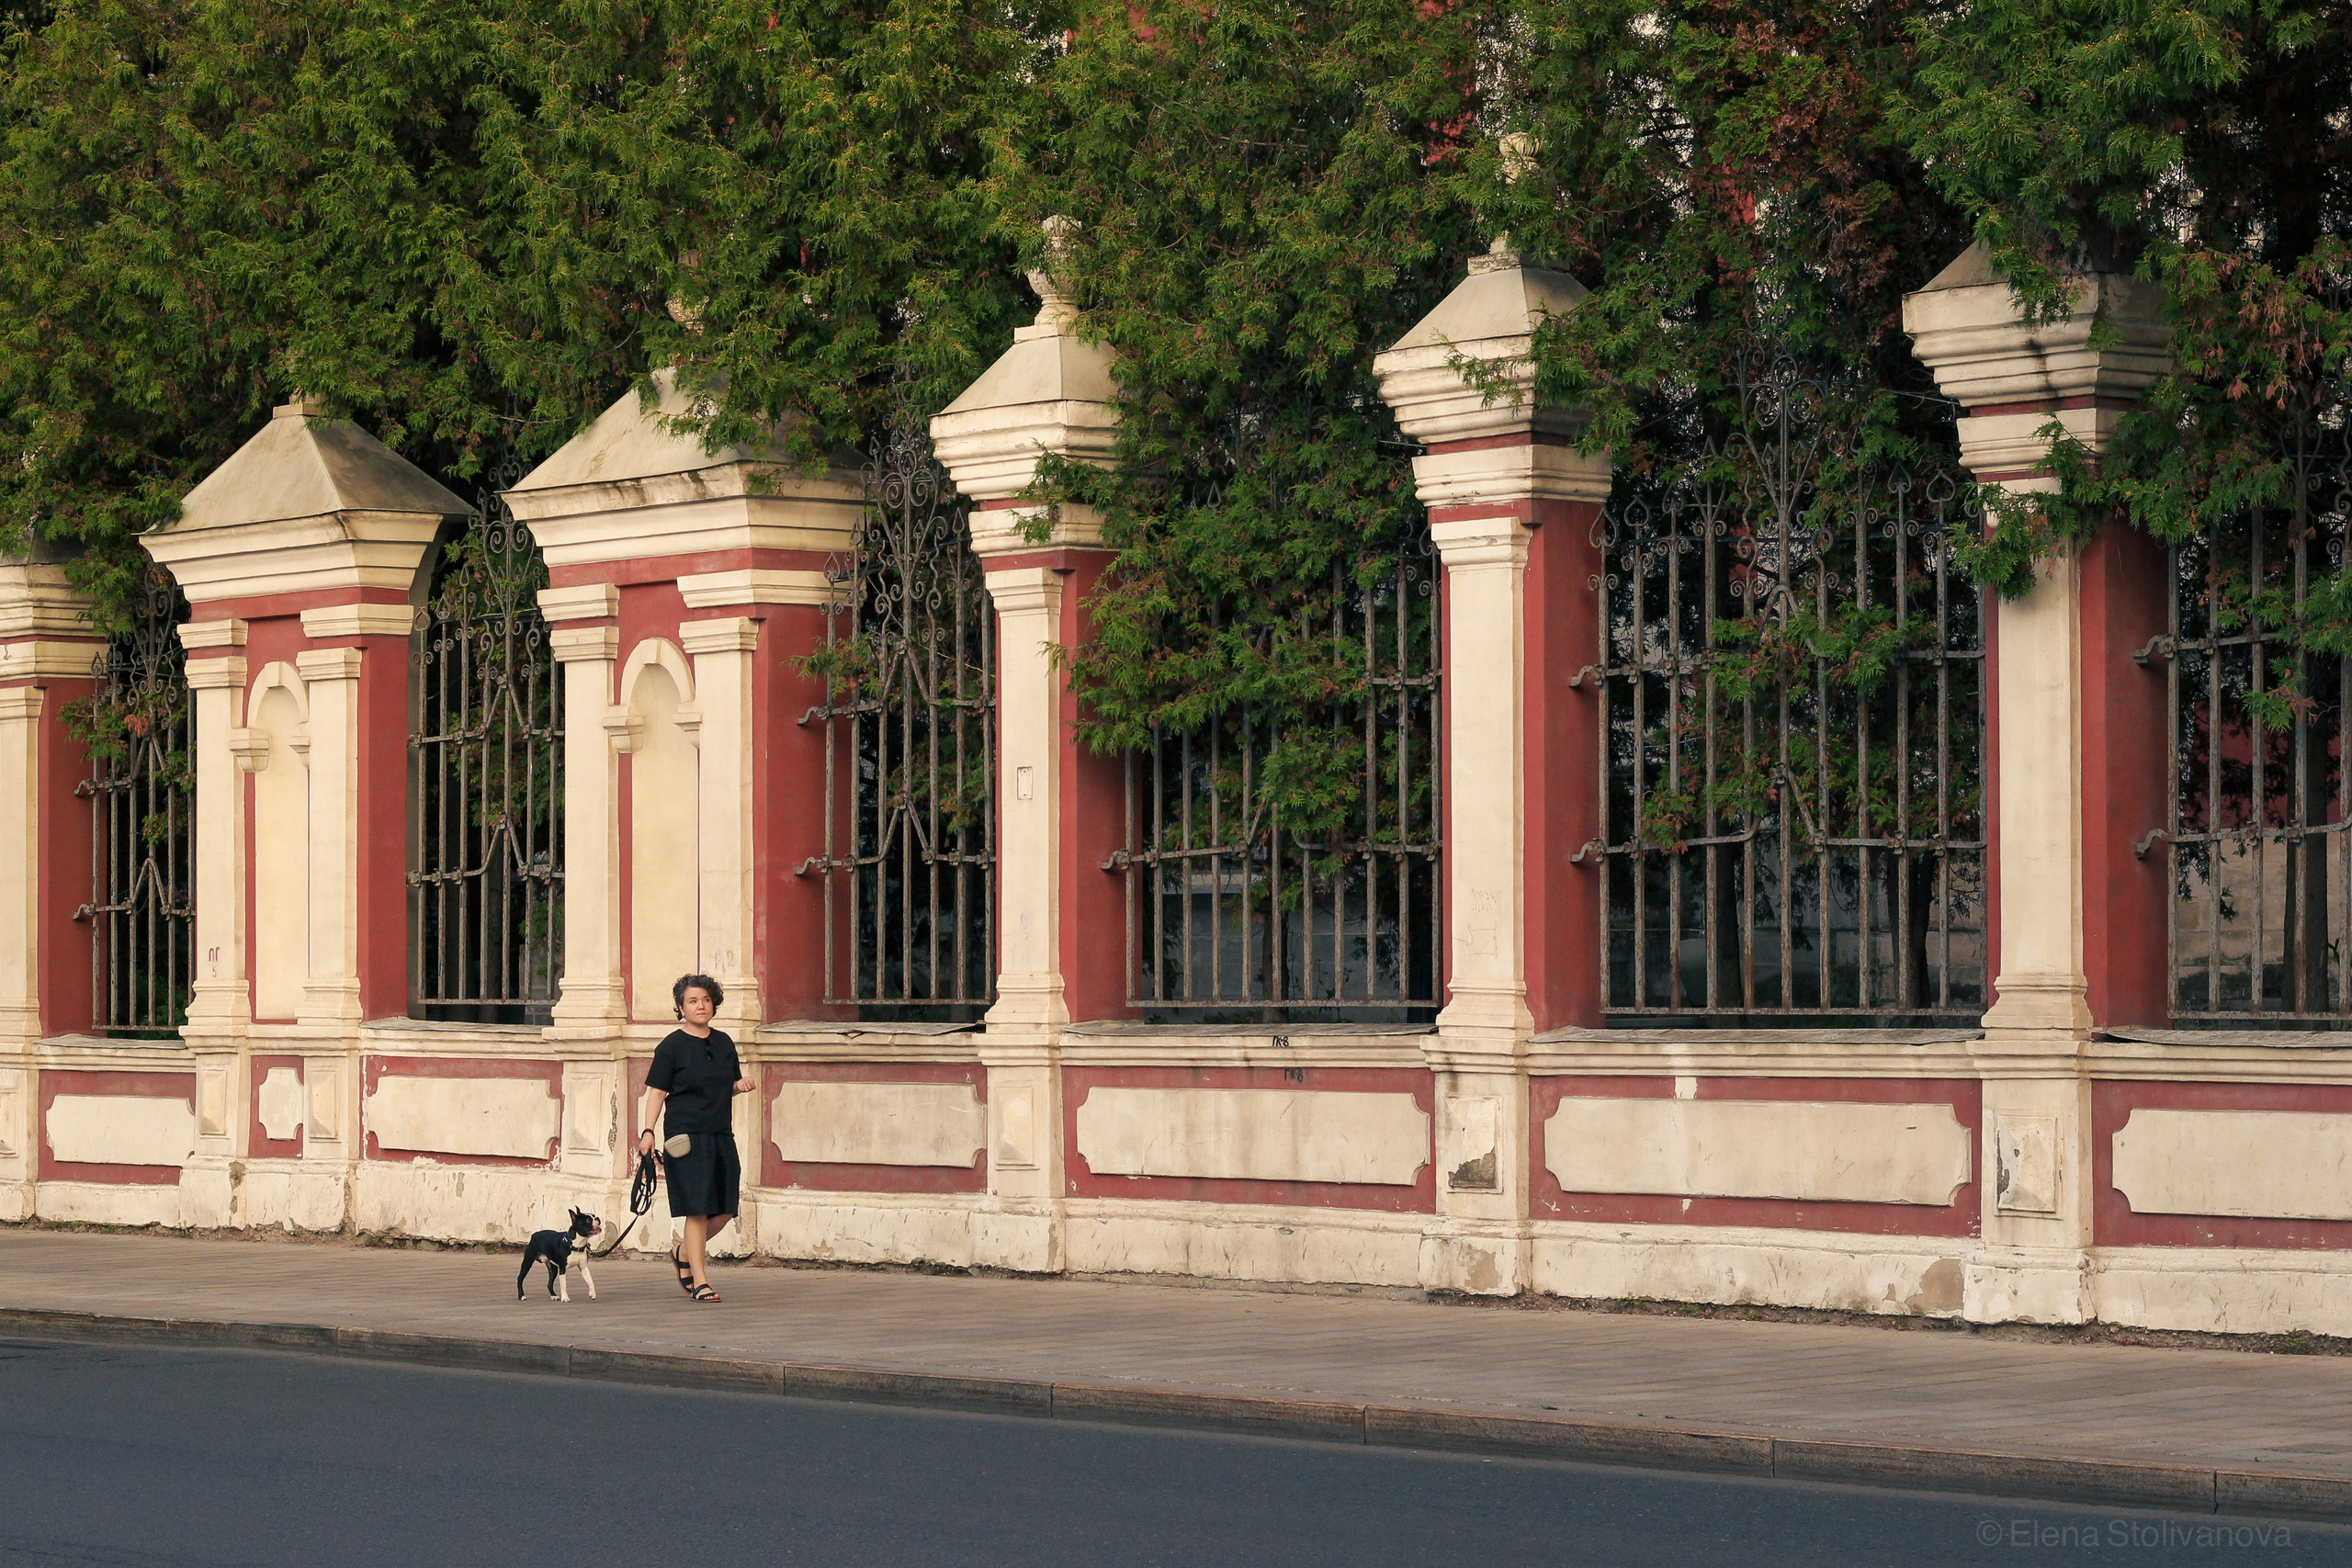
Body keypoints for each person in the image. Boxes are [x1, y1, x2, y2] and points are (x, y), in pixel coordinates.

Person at [637, 974, 753, 1303]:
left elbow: (725, 1085)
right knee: (697, 1209)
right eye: (692, 1001)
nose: (700, 1005)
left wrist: (738, 1086)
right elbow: (657, 1093)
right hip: (685, 1138)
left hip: (720, 1134)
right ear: (680, 1007)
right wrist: (648, 1132)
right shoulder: (671, 1046)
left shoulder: (724, 1043)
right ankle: (700, 1281)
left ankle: (683, 1253)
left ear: (713, 1003)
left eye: (705, 999)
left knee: (727, 1208)